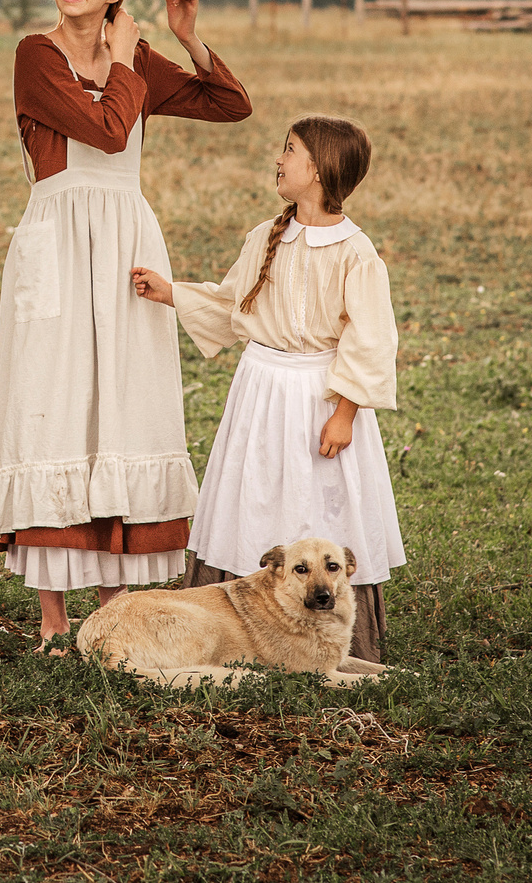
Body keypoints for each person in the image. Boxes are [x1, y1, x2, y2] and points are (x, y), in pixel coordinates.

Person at [0, 0, 255, 650]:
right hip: (59, 242)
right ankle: (51, 620)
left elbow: (231, 103)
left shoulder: (133, 58)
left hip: (126, 240)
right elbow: (103, 130)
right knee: (54, 401)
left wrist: (188, 41)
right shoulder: (36, 55)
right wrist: (131, 57)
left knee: (121, 405)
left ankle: (115, 612)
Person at [129, 115, 405, 665]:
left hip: (321, 396)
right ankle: (240, 634)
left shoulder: (356, 253)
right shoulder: (266, 237)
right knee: (252, 497)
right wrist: (172, 293)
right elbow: (236, 305)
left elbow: (370, 338)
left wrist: (345, 411)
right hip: (260, 394)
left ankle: (333, 637)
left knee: (320, 499)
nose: (278, 159)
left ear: (320, 169)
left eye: (290, 150)